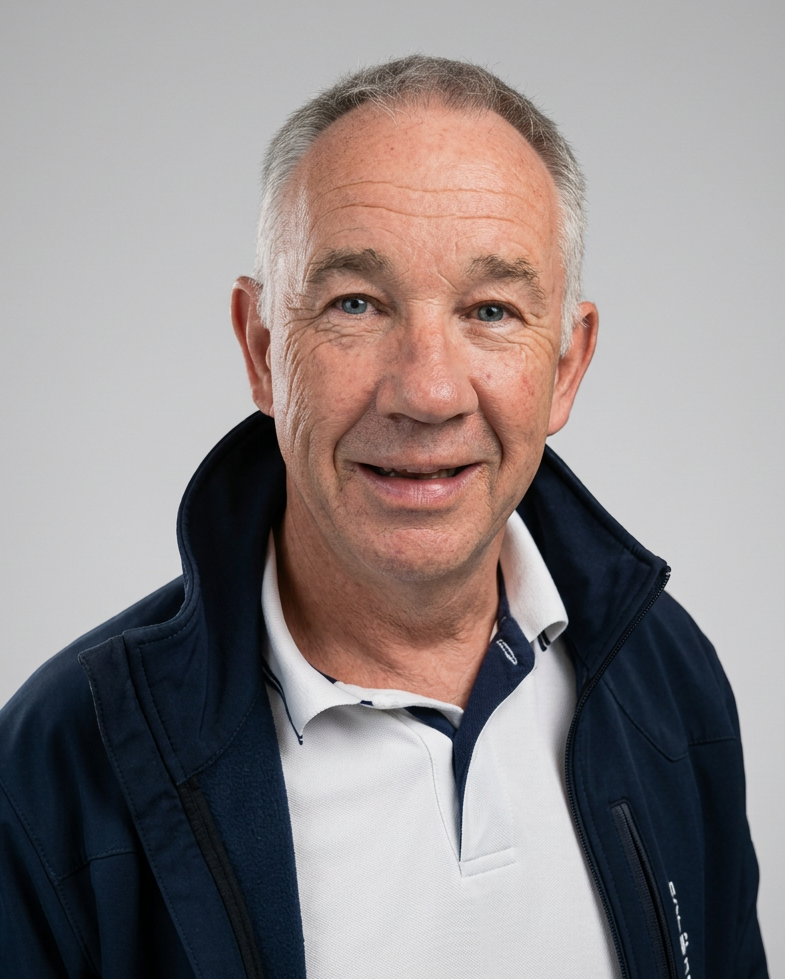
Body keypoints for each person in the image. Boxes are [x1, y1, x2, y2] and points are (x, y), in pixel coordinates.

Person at [0, 55, 767, 979]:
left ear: (566, 365)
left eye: (491, 310)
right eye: (355, 304)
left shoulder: (666, 677)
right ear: (261, 348)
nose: (428, 391)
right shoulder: (55, 767)